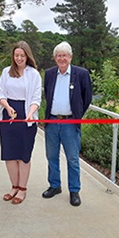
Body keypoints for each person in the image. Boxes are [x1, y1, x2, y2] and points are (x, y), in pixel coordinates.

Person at [42, 42, 92, 206]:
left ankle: (74, 190)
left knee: (72, 158)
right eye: (58, 55)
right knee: (51, 156)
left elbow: (87, 98)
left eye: (64, 55)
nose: (61, 58)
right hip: (52, 122)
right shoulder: (49, 74)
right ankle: (55, 186)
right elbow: (46, 96)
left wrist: (76, 115)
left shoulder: (81, 74)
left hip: (70, 123)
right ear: (55, 58)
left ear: (70, 57)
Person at [0, 41, 41, 205]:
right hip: (8, 115)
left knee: (23, 156)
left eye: (22, 55)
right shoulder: (6, 72)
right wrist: (7, 107)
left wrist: (30, 114)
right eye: (17, 55)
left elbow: (36, 98)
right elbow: (0, 92)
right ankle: (14, 186)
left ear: (27, 56)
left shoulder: (34, 74)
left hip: (26, 116)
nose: (19, 58)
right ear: (13, 56)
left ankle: (22, 189)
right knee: (9, 155)